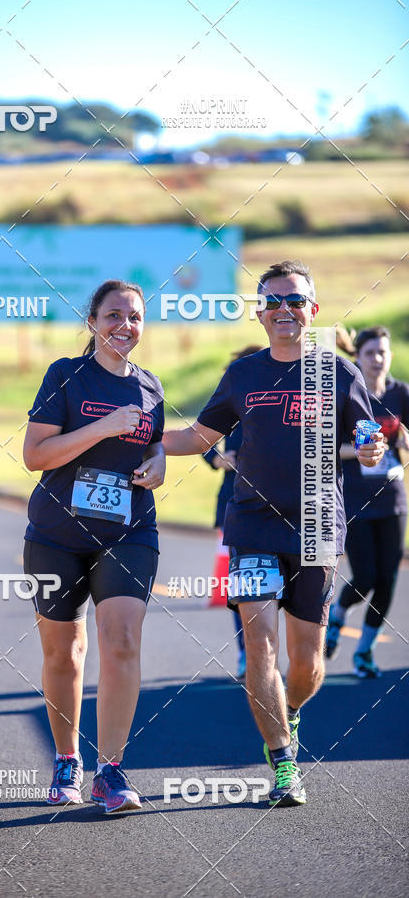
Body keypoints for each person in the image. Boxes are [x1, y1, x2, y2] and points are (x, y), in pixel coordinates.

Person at [162, 260, 384, 807]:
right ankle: (283, 763)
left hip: (316, 528)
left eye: (296, 301)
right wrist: (133, 439)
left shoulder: (338, 372)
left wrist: (374, 446)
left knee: (306, 663)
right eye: (274, 302)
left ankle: (291, 710)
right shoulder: (244, 376)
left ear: (312, 310)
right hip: (253, 526)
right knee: (260, 648)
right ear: (260, 314)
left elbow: (367, 430)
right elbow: (197, 436)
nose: (285, 311)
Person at [22, 279, 165, 813]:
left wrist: (160, 463)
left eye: (134, 317)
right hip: (58, 534)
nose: (124, 326)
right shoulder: (66, 375)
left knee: (122, 638)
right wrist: (102, 427)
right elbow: (35, 456)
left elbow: (152, 446)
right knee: (65, 651)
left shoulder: (151, 386)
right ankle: (66, 759)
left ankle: (111, 769)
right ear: (92, 322)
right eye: (113, 316)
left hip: (128, 530)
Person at [326, 326, 409, 677]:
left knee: (388, 580)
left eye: (383, 352)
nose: (378, 359)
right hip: (356, 499)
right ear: (357, 358)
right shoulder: (346, 393)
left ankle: (364, 652)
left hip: (393, 499)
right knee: (365, 577)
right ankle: (337, 615)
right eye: (371, 353)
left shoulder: (401, 393)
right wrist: (360, 451)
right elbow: (325, 448)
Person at [204, 345, 263, 679]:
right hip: (233, 501)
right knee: (240, 586)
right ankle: (245, 653)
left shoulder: (275, 399)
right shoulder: (230, 397)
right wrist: (218, 459)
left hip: (277, 505)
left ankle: (268, 651)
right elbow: (199, 433)